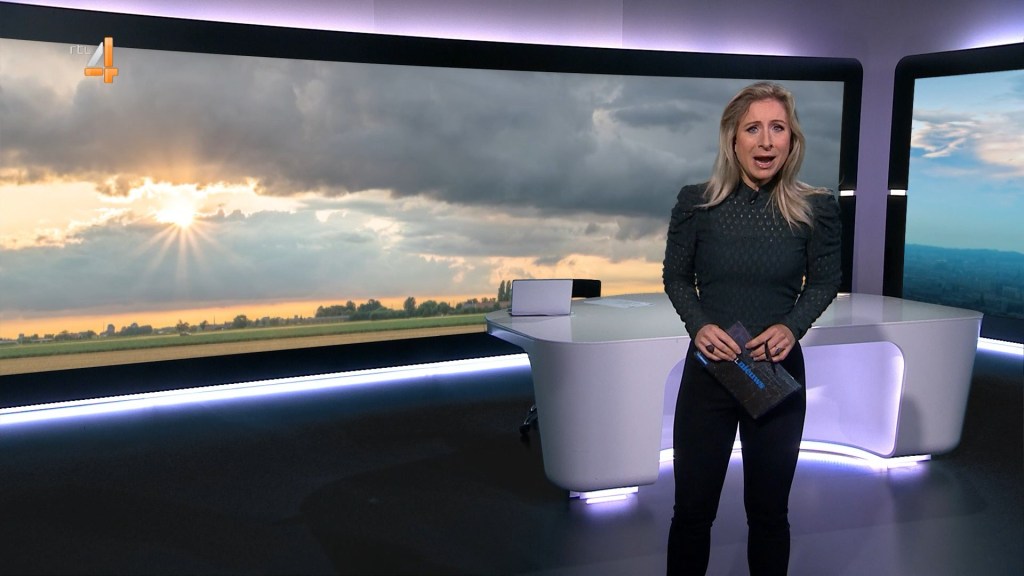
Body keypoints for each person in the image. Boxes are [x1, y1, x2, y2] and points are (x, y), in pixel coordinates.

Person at [662, 81, 842, 575]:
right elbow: (675, 276)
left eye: (777, 128)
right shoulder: (696, 203)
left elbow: (825, 280)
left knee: (768, 515)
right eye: (753, 129)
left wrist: (793, 326)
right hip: (710, 373)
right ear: (733, 139)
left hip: (775, 375)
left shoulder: (816, 208)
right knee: (692, 513)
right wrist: (698, 326)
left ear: (792, 139)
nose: (766, 141)